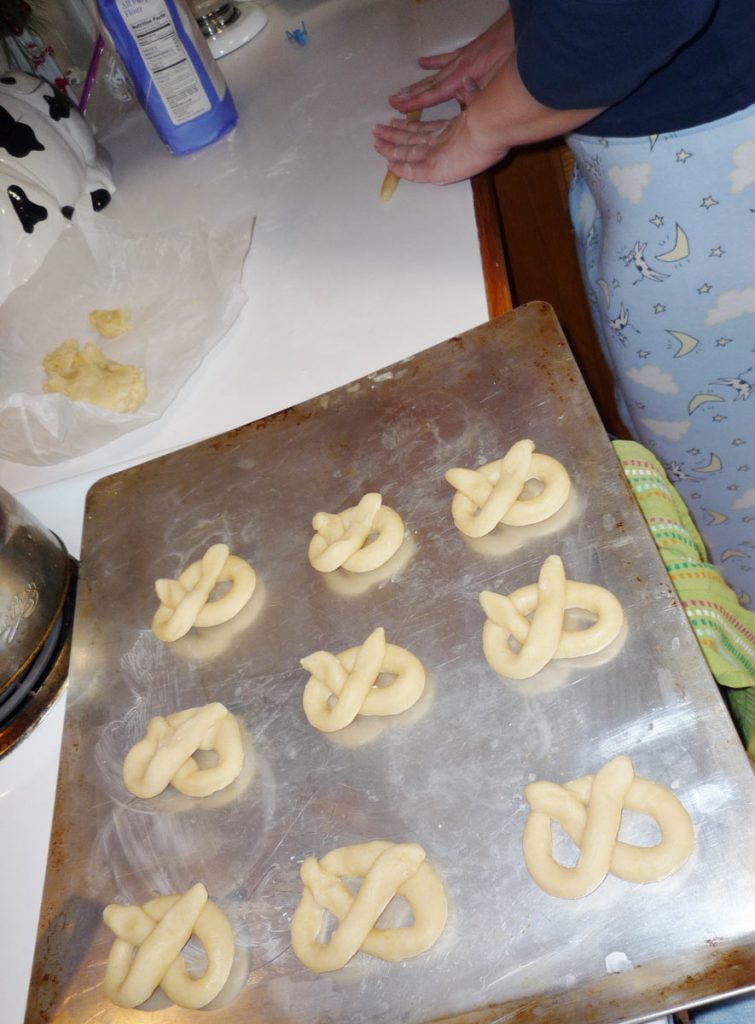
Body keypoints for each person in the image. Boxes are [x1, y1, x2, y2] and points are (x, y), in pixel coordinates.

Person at [373, 2, 755, 606]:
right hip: (657, 174)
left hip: (719, 182)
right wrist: (530, 28)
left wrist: (484, 125)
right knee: (686, 462)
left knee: (731, 507)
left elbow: (637, 13)